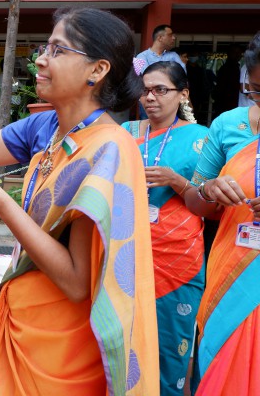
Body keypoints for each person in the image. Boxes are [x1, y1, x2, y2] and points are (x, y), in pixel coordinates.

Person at [0, 7, 160, 394]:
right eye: (46, 48)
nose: (41, 59)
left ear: (97, 70)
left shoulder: (109, 149)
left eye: (59, 51)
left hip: (61, 347)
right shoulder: (46, 126)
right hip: (22, 318)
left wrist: (2, 204)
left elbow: (76, 283)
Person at [122, 61, 207, 395]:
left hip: (177, 257)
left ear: (183, 94)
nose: (150, 98)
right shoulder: (126, 132)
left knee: (171, 347)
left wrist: (176, 180)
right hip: (126, 250)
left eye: (160, 90)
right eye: (144, 90)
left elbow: (212, 202)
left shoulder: (201, 139)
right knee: (122, 344)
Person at [185, 31, 260, 395]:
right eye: (257, 90)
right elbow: (194, 201)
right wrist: (209, 189)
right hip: (230, 268)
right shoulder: (228, 125)